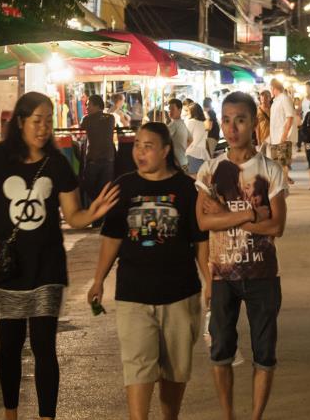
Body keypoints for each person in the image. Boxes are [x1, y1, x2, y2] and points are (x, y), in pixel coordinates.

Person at [0, 92, 120, 420]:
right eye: (37, 121)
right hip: (7, 268)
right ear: (20, 122)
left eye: (48, 121)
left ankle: (47, 417)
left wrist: (93, 212)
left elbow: (73, 216)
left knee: (44, 346)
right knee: (9, 346)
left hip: (47, 267)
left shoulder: (57, 163)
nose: (44, 128)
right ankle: (11, 414)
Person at [88, 123, 210, 420]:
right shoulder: (123, 186)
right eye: (137, 145)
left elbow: (200, 240)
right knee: (138, 368)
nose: (140, 152)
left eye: (148, 146)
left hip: (180, 294)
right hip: (133, 294)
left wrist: (210, 280)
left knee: (175, 371)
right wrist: (98, 280)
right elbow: (112, 237)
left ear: (166, 150)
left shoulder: (185, 188)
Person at [195, 92, 288, 420]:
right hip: (222, 276)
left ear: (253, 124)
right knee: (220, 351)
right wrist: (249, 216)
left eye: (240, 119)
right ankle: (228, 415)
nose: (232, 127)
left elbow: (277, 226)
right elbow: (204, 221)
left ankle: (255, 416)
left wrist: (225, 212)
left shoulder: (270, 170)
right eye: (226, 119)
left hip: (263, 275)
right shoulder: (210, 170)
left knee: (265, 354)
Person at [81, 94, 117, 225]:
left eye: (89, 104)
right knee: (105, 189)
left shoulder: (87, 119)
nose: (86, 106)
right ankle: (102, 218)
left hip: (94, 159)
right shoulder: (111, 118)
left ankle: (97, 216)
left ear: (96, 105)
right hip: (109, 159)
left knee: (87, 185)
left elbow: (81, 128)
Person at [268, 80, 296, 185]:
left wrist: (284, 135)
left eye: (271, 88)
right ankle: (279, 185)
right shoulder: (275, 101)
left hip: (282, 137)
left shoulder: (284, 99)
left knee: (283, 163)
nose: (270, 90)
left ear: (275, 88)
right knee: (276, 164)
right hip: (275, 138)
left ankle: (283, 186)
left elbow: (290, 117)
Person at [184, 104, 209, 176]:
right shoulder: (203, 123)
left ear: (192, 112)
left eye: (188, 111)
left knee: (192, 177)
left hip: (192, 152)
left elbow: (187, 138)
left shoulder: (191, 122)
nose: (187, 113)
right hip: (203, 154)